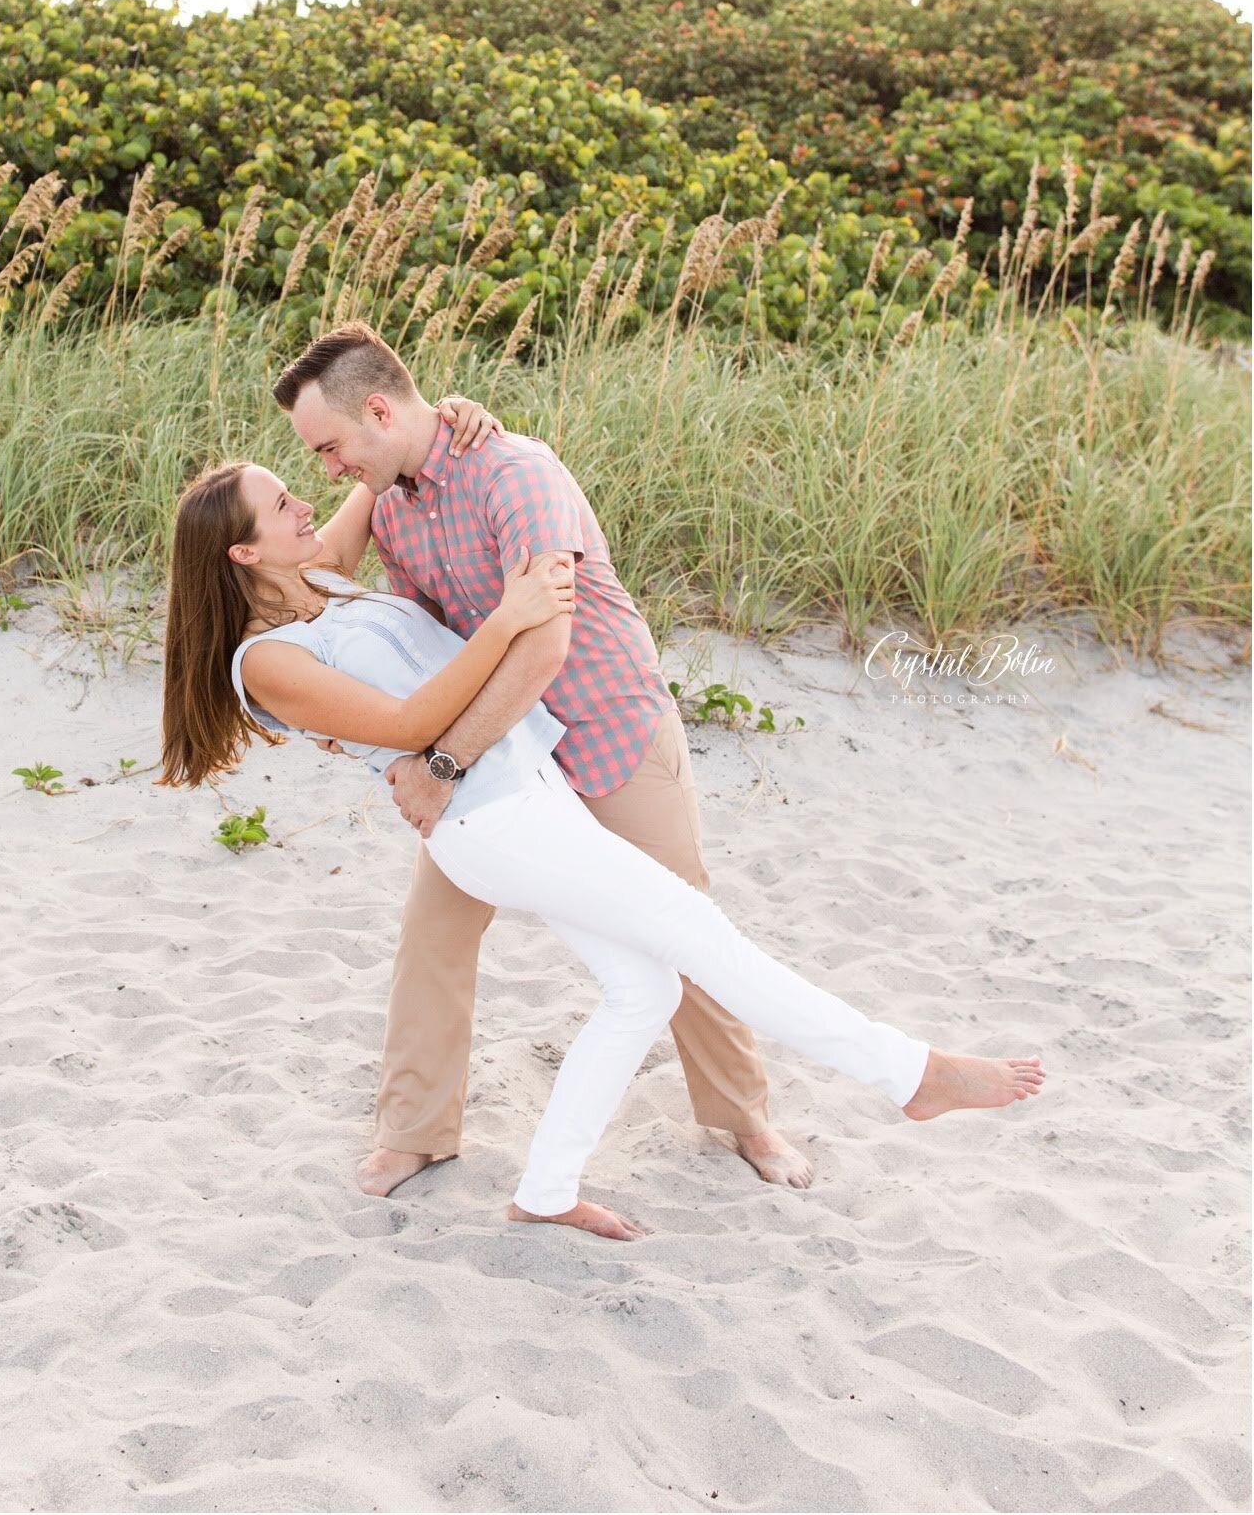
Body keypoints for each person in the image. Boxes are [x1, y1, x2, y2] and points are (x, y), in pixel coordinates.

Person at [160, 451, 1046, 1242]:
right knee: (705, 941)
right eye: (280, 505)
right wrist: (507, 620)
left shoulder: (325, 581)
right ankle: (912, 1073)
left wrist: (458, 421)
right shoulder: (266, 662)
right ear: (244, 553)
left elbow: (376, 464)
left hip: (527, 791)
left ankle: (546, 1190)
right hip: (489, 824)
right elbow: (410, 721)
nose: (303, 504)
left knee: (644, 986)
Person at [272, 323, 816, 1198]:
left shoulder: (513, 472)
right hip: (496, 763)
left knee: (681, 922)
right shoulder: (389, 490)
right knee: (435, 931)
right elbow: (325, 573)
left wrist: (440, 765)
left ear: (378, 410)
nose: (326, 469)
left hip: (602, 729)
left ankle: (744, 1117)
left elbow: (545, 645)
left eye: (331, 447)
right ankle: (414, 1132)